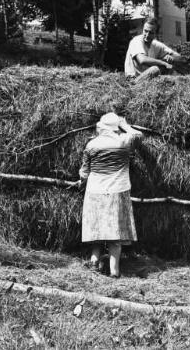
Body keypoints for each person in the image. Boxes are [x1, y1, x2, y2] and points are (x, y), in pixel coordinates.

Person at [78, 112, 143, 278]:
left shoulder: (92, 144)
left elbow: (84, 172)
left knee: (97, 228)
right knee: (116, 231)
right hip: (117, 191)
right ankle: (114, 271)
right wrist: (125, 125)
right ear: (116, 128)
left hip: (95, 191)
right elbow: (138, 135)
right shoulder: (124, 141)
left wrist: (81, 181)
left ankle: (94, 261)